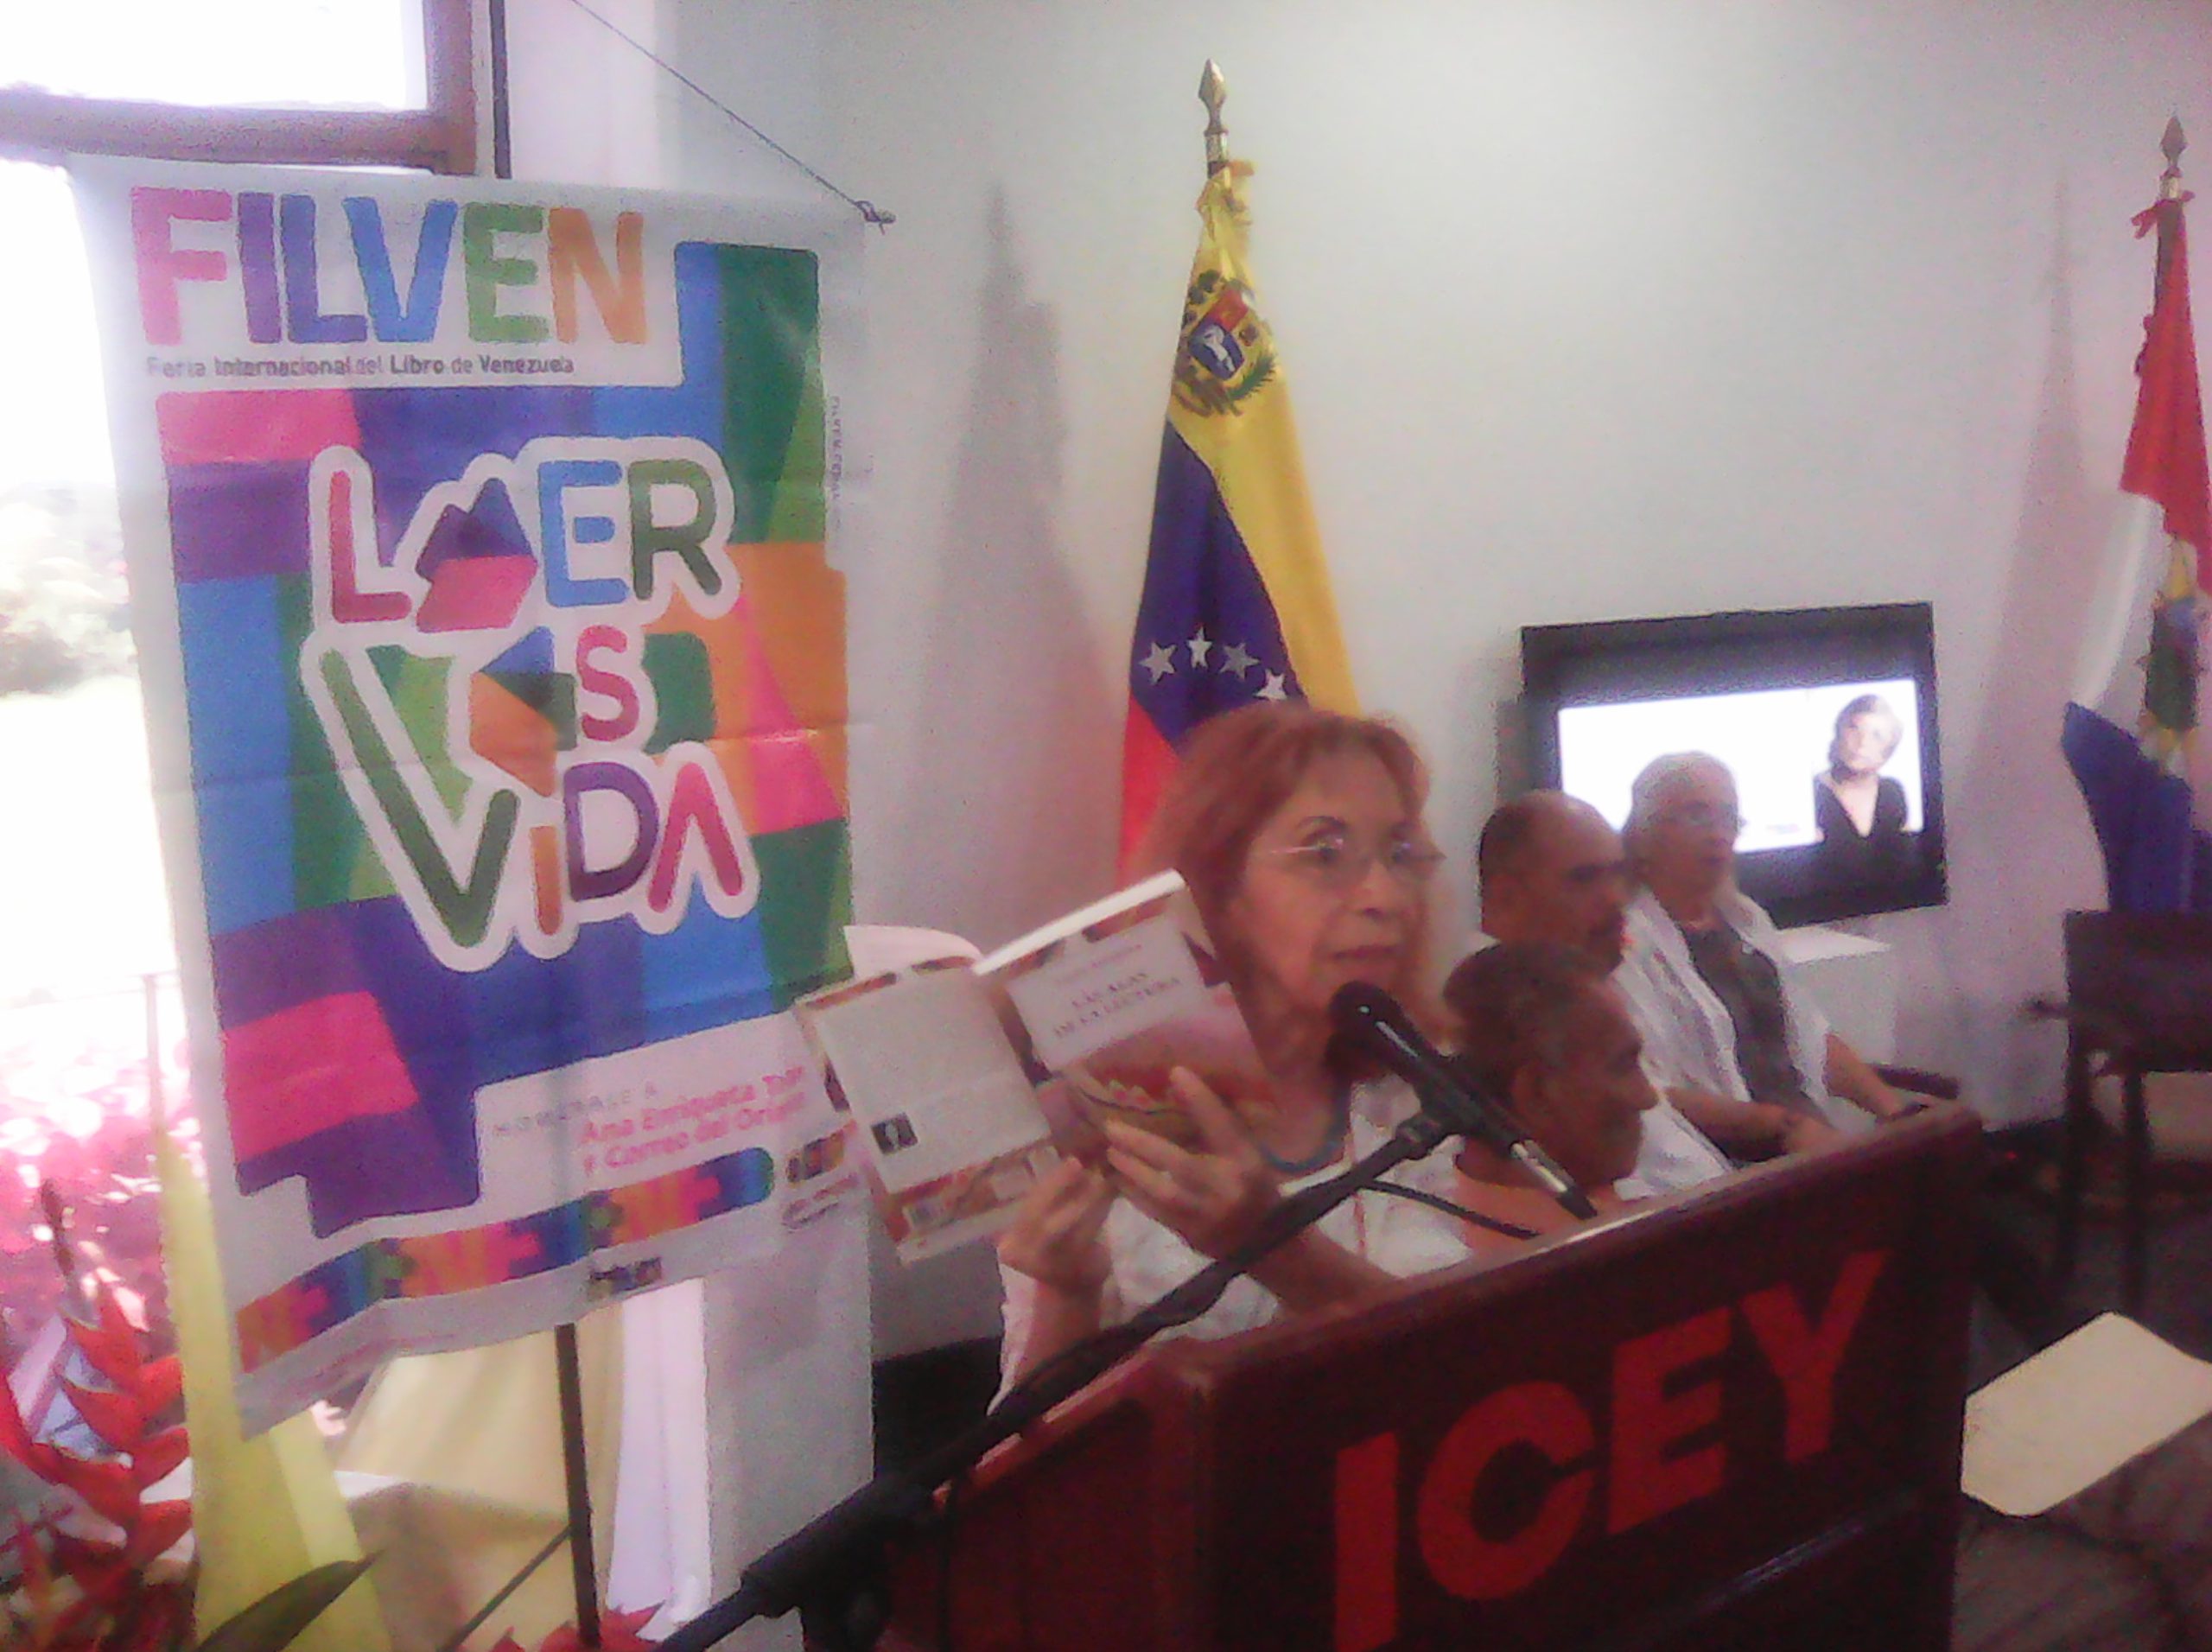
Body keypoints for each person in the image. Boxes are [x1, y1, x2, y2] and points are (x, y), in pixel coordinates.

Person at [994, 703, 1475, 1388]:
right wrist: (1068, 1296)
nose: (1386, 897)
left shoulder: (1404, 1092)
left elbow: (1457, 1366)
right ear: (1217, 887)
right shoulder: (1102, 1102)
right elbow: (1025, 1445)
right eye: (1325, 854)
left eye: (1399, 856)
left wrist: (1273, 1246)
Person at [1617, 753, 1913, 1161]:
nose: (1718, 834)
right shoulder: (1624, 942)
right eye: (1697, 816)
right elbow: (1646, 1091)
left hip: (1806, 1142)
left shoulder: (1746, 918)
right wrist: (1780, 1127)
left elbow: (1810, 1036)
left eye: (1728, 818)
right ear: (1643, 835)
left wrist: (1894, 1112)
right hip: (1720, 1161)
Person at [1469, 791, 1733, 1194]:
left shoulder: (1595, 980)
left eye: (1617, 876)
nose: (1614, 900)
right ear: (1507, 899)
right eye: (1584, 879)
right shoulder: (1487, 1021)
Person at [1443, 941, 1659, 1259]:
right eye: (1622, 1066)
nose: (1648, 1097)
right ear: (1537, 1095)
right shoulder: (1457, 1264)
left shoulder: (1613, 1202)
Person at [1813, 694, 1911, 882]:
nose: (1862, 742)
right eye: (1854, 728)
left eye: (1876, 735)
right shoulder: (1811, 792)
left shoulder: (1892, 792)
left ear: (1888, 750)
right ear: (1838, 733)